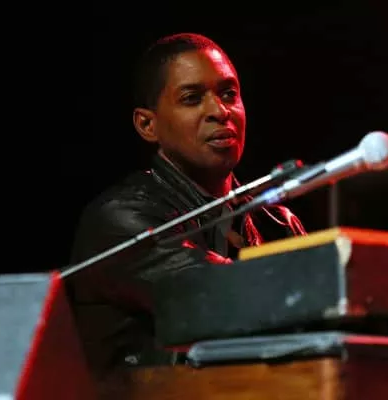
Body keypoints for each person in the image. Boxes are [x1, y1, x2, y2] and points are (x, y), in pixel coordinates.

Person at [65, 33, 307, 379]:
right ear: (147, 125)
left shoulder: (277, 223)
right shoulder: (121, 218)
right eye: (192, 99)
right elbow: (218, 295)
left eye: (229, 94)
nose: (219, 111)